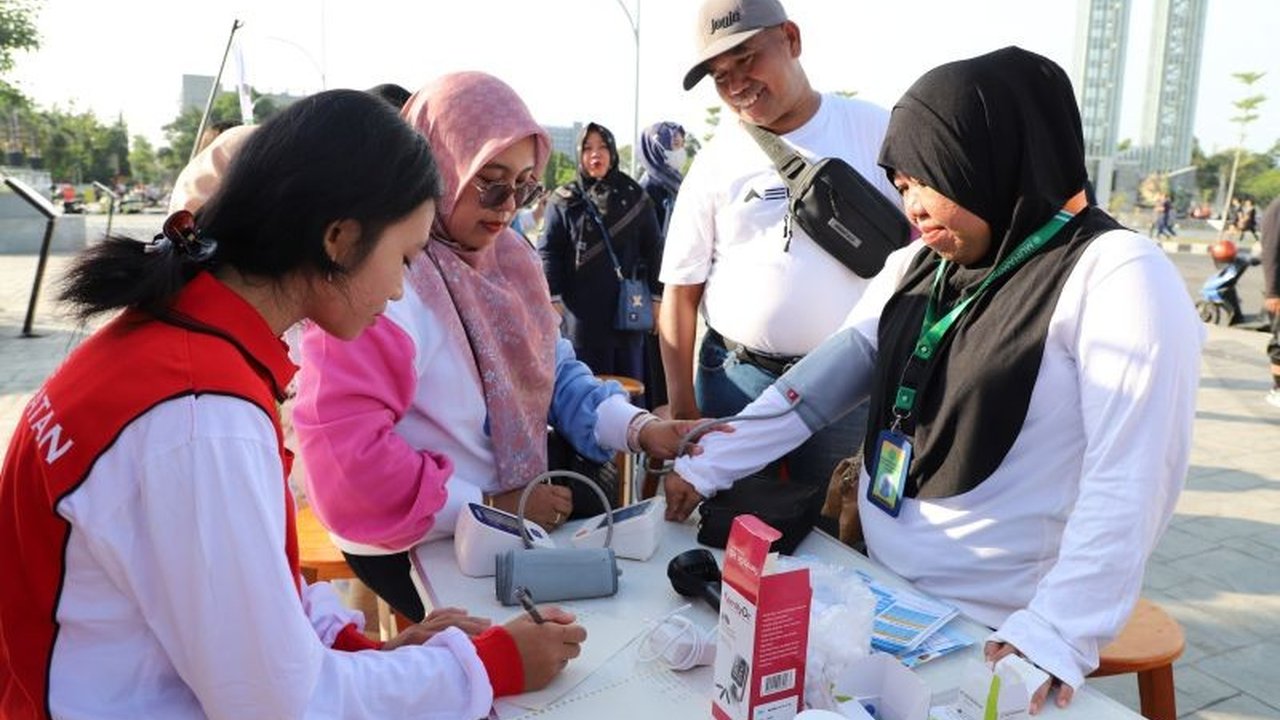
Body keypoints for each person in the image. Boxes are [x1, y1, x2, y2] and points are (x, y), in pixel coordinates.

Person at [0, 89, 585, 719]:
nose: (396, 290)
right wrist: (488, 665)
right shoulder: (201, 418)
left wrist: (367, 651)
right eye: (405, 260)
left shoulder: (176, 352)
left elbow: (250, 601)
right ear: (339, 238)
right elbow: (284, 705)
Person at [664, 47, 1203, 710]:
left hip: (996, 630)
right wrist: (710, 461)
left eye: (928, 178)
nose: (909, 202)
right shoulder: (922, 260)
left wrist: (1056, 634)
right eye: (900, 182)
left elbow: (1135, 477)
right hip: (881, 597)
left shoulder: (1117, 273)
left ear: (989, 161)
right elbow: (825, 381)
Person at [292, 73, 703, 623]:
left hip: (501, 527)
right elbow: (349, 461)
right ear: (438, 164)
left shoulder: (509, 258)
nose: (507, 205)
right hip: (413, 540)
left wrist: (642, 429)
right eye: (489, 181)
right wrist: (489, 508)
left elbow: (551, 369)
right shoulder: (389, 275)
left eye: (525, 186)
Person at [659, 0, 900, 500]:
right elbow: (681, 292)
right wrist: (682, 408)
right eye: (719, 75)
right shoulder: (715, 160)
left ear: (791, 39)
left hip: (848, 391)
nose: (735, 84)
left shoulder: (875, 131)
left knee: (835, 535)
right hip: (735, 383)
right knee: (728, 532)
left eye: (745, 58)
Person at [539, 122, 663, 380]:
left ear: (613, 152)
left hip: (627, 312)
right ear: (579, 154)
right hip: (579, 316)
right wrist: (554, 298)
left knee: (628, 387)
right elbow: (549, 250)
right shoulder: (564, 200)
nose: (596, 154)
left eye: (603, 147)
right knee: (584, 384)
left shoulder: (634, 197)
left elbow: (654, 247)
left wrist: (657, 299)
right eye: (588, 148)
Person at [637, 120, 689, 411]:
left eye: (681, 145)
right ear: (658, 148)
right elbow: (651, 249)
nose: (678, 152)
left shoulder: (674, 185)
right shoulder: (648, 191)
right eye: (674, 145)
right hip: (654, 295)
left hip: (673, 289)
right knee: (656, 368)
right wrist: (656, 297)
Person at [1261, 196, 1280, 408]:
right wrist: (1273, 292)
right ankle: (1277, 389)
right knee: (1279, 344)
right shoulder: (1277, 208)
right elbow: (1271, 251)